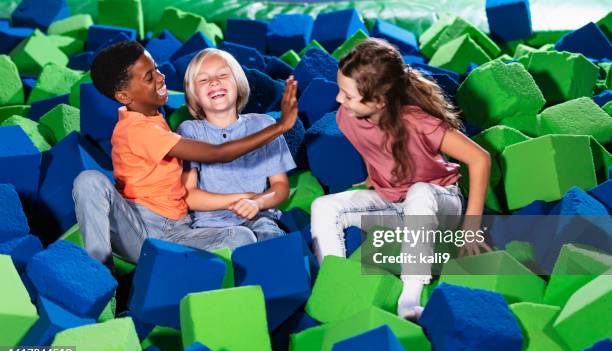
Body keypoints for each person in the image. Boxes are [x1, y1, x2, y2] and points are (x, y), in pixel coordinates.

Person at [72, 41, 297, 272]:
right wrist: (281, 126)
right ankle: (101, 274)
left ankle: (173, 277)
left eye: (156, 68)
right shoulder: (138, 130)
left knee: (241, 238)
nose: (161, 77)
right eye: (149, 78)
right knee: (89, 180)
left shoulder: (153, 116)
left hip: (178, 231)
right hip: (139, 230)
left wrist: (255, 201)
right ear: (124, 96)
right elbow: (217, 153)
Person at [310, 38, 491, 320]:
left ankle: (410, 298)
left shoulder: (419, 122)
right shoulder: (346, 117)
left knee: (420, 191)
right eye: (340, 91)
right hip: (394, 203)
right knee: (323, 206)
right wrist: (375, 176)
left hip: (440, 202)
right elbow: (373, 147)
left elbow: (480, 159)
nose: (338, 100)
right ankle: (335, 283)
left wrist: (471, 226)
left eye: (347, 95)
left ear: (379, 101)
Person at [177, 49, 296, 241]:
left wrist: (257, 202)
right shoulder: (191, 131)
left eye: (223, 75)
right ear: (194, 95)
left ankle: (364, 265)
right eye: (203, 80)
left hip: (258, 216)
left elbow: (280, 185)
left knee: (269, 235)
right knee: (238, 240)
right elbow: (189, 195)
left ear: (238, 83)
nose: (214, 82)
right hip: (210, 224)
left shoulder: (264, 125)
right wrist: (240, 198)